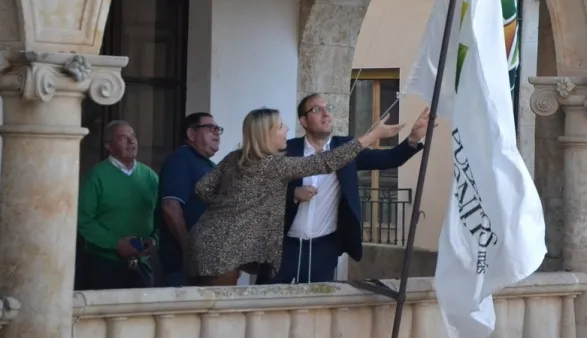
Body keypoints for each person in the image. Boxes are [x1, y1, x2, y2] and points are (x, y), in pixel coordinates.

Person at [186, 107, 404, 286]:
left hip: (202, 241)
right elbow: (326, 162)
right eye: (281, 126)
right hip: (222, 252)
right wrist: (373, 136)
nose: (287, 129)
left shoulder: (235, 157)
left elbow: (202, 188)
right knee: (219, 319)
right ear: (266, 134)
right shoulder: (273, 165)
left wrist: (228, 211)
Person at [262, 94, 428, 285]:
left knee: (317, 301)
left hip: (324, 248)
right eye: (317, 110)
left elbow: (389, 159)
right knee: (268, 298)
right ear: (303, 121)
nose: (326, 114)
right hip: (283, 245)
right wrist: (293, 193)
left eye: (328, 108)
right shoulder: (287, 150)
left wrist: (413, 138)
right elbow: (264, 191)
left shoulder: (346, 148)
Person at [76, 121, 159, 290]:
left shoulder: (149, 176)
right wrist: (115, 243)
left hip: (142, 263)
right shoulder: (96, 176)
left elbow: (160, 214)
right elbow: (83, 220)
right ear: (109, 146)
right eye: (123, 138)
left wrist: (154, 239)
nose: (131, 141)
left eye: (133, 136)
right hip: (105, 263)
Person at [158, 112, 221, 287]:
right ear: (191, 134)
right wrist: (189, 248)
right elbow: (170, 207)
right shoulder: (181, 160)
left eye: (218, 129)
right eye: (210, 128)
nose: (216, 132)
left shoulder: (209, 165)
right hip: (184, 267)